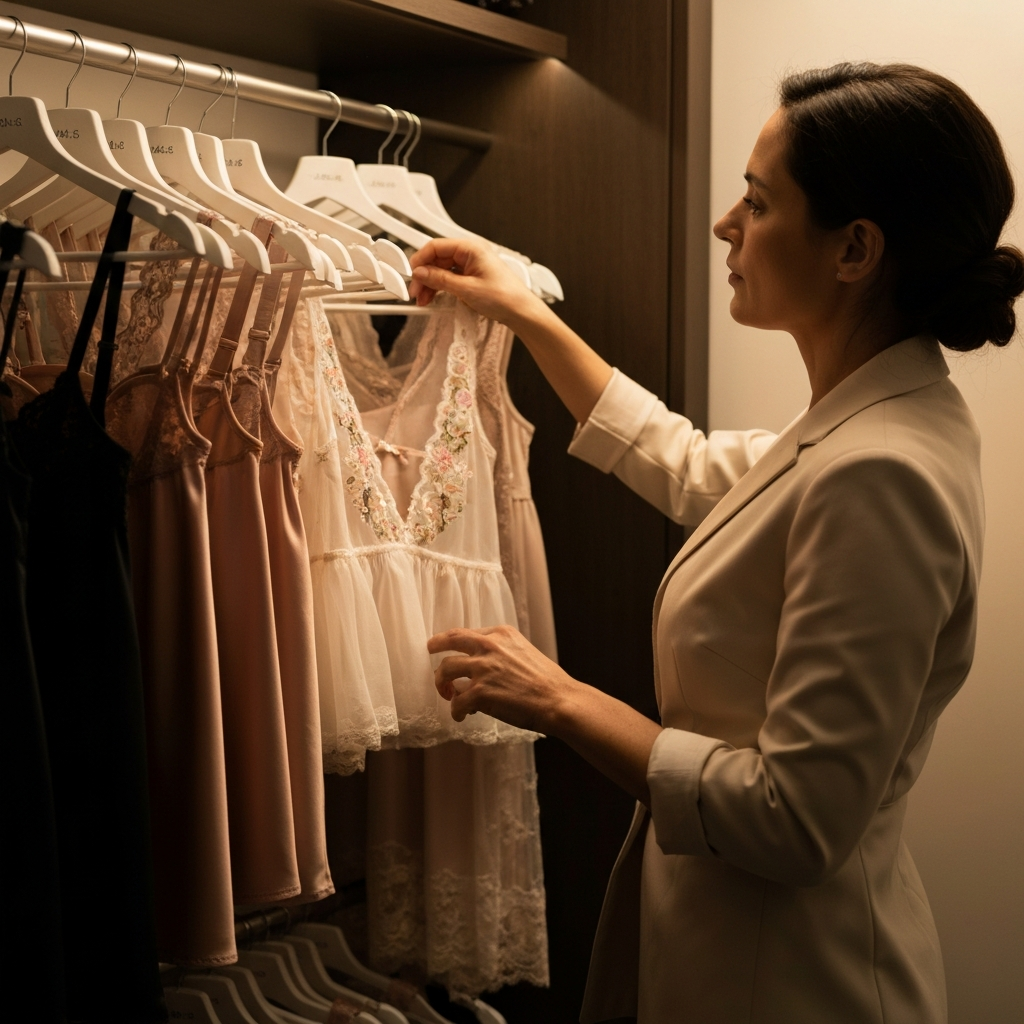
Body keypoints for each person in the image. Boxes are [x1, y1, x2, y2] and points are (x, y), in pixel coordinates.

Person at [407, 63, 1024, 1024]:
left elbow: (797, 819)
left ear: (855, 248)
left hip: (793, 984)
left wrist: (564, 700)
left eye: (758, 200)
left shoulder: (881, 471)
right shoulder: (871, 422)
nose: (725, 225)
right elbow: (689, 462)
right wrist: (526, 313)